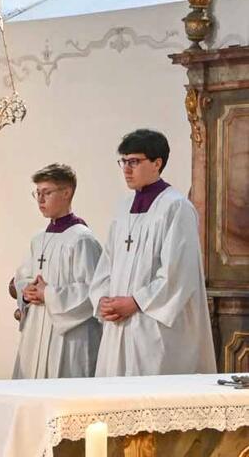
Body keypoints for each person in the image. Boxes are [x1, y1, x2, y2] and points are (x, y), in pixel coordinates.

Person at [90, 129, 216, 376]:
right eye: (123, 161)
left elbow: (178, 273)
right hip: (118, 325)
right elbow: (107, 263)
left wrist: (135, 302)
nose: (126, 169)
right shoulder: (123, 207)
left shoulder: (176, 207)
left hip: (153, 327)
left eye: (134, 161)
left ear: (157, 163)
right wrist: (104, 299)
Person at [11, 163, 102, 379]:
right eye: (37, 193)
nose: (40, 200)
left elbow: (93, 290)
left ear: (66, 193)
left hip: (68, 338)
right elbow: (23, 276)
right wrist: (26, 291)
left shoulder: (82, 239)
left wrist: (49, 294)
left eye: (47, 192)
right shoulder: (39, 239)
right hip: (36, 331)